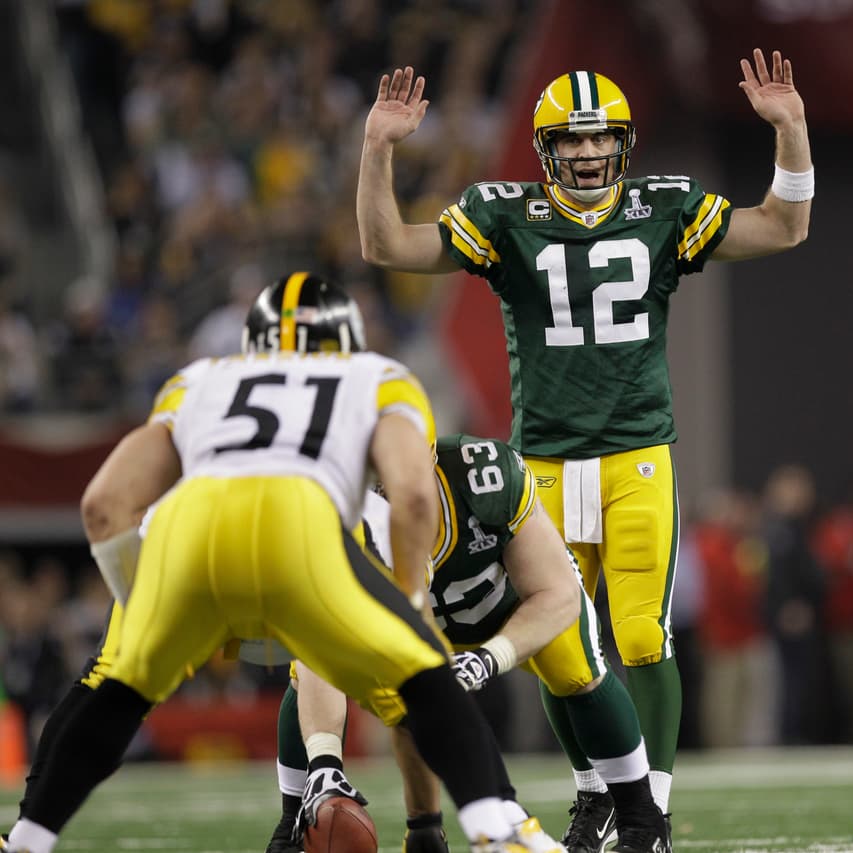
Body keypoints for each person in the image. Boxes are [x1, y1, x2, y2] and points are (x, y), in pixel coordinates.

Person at [355, 49, 812, 843]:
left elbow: (784, 224)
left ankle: (652, 811)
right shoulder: (506, 216)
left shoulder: (663, 207)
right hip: (542, 463)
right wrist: (378, 148)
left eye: (601, 139)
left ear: (624, 144)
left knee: (640, 635)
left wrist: (792, 131)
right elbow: (389, 248)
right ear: (546, 151)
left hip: (637, 453)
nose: (589, 152)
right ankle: (594, 790)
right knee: (559, 645)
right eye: (571, 141)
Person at [1, 273, 563, 853]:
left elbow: (102, 506)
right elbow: (416, 495)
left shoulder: (199, 379)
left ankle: (26, 840)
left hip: (186, 530)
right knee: (425, 678)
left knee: (113, 691)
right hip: (300, 523)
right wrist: (413, 606)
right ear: (348, 338)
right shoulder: (376, 378)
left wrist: (146, 609)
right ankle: (495, 828)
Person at [265, 435, 672, 853]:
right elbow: (318, 654)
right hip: (412, 623)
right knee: (349, 675)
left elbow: (557, 594)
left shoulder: (483, 477)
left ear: (430, 456)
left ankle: (642, 819)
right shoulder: (340, 517)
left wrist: (490, 658)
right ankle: (294, 820)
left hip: (509, 607)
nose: (397, 491)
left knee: (574, 666)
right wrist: (325, 764)